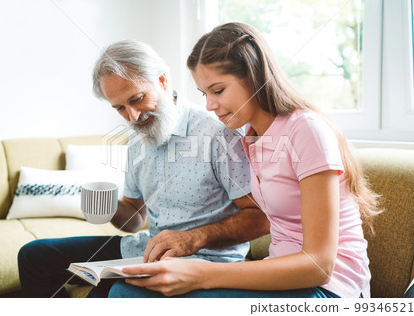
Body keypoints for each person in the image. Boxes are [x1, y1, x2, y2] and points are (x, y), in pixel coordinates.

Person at [112, 22, 382, 298]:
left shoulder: (306, 130)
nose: (209, 105)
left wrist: (202, 275)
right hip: (281, 278)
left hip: (328, 290)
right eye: (204, 94)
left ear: (254, 77)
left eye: (218, 90)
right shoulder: (251, 138)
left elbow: (319, 265)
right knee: (128, 290)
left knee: (130, 296)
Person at [17, 39, 269, 298]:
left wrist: (193, 238)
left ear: (162, 81)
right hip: (147, 250)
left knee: (111, 295)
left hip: (204, 260)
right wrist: (108, 207)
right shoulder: (138, 139)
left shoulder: (217, 134)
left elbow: (261, 217)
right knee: (34, 255)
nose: (133, 116)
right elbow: (136, 219)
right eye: (120, 109)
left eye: (137, 99)